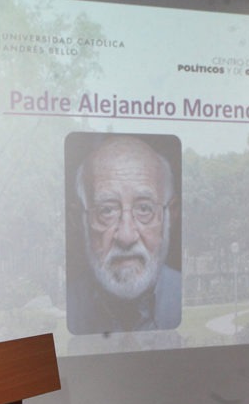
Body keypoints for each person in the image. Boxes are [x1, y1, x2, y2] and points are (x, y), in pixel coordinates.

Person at [66, 134, 182, 334]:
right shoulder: (63, 309)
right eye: (107, 211)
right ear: (78, 219)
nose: (126, 237)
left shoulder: (184, 297)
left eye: (144, 208)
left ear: (170, 215)